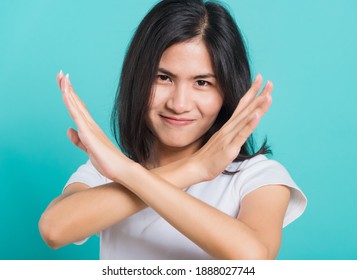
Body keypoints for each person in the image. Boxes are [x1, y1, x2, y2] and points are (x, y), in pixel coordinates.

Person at [39, 0, 307, 260]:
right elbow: (55, 229)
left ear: (227, 90)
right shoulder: (106, 170)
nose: (179, 104)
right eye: (163, 78)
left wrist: (127, 172)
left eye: (202, 82)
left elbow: (253, 257)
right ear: (138, 79)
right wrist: (193, 169)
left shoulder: (258, 176)